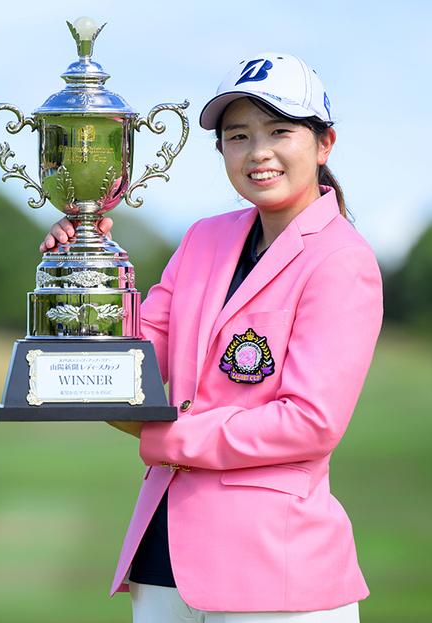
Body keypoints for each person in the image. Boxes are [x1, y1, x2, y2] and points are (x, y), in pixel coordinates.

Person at [42, 53, 383, 623]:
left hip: (277, 574)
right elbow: (131, 371)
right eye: (238, 136)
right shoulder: (203, 239)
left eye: (280, 132)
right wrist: (84, 278)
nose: (258, 152)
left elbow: (310, 422)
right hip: (161, 562)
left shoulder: (342, 259)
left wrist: (171, 434)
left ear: (324, 144)